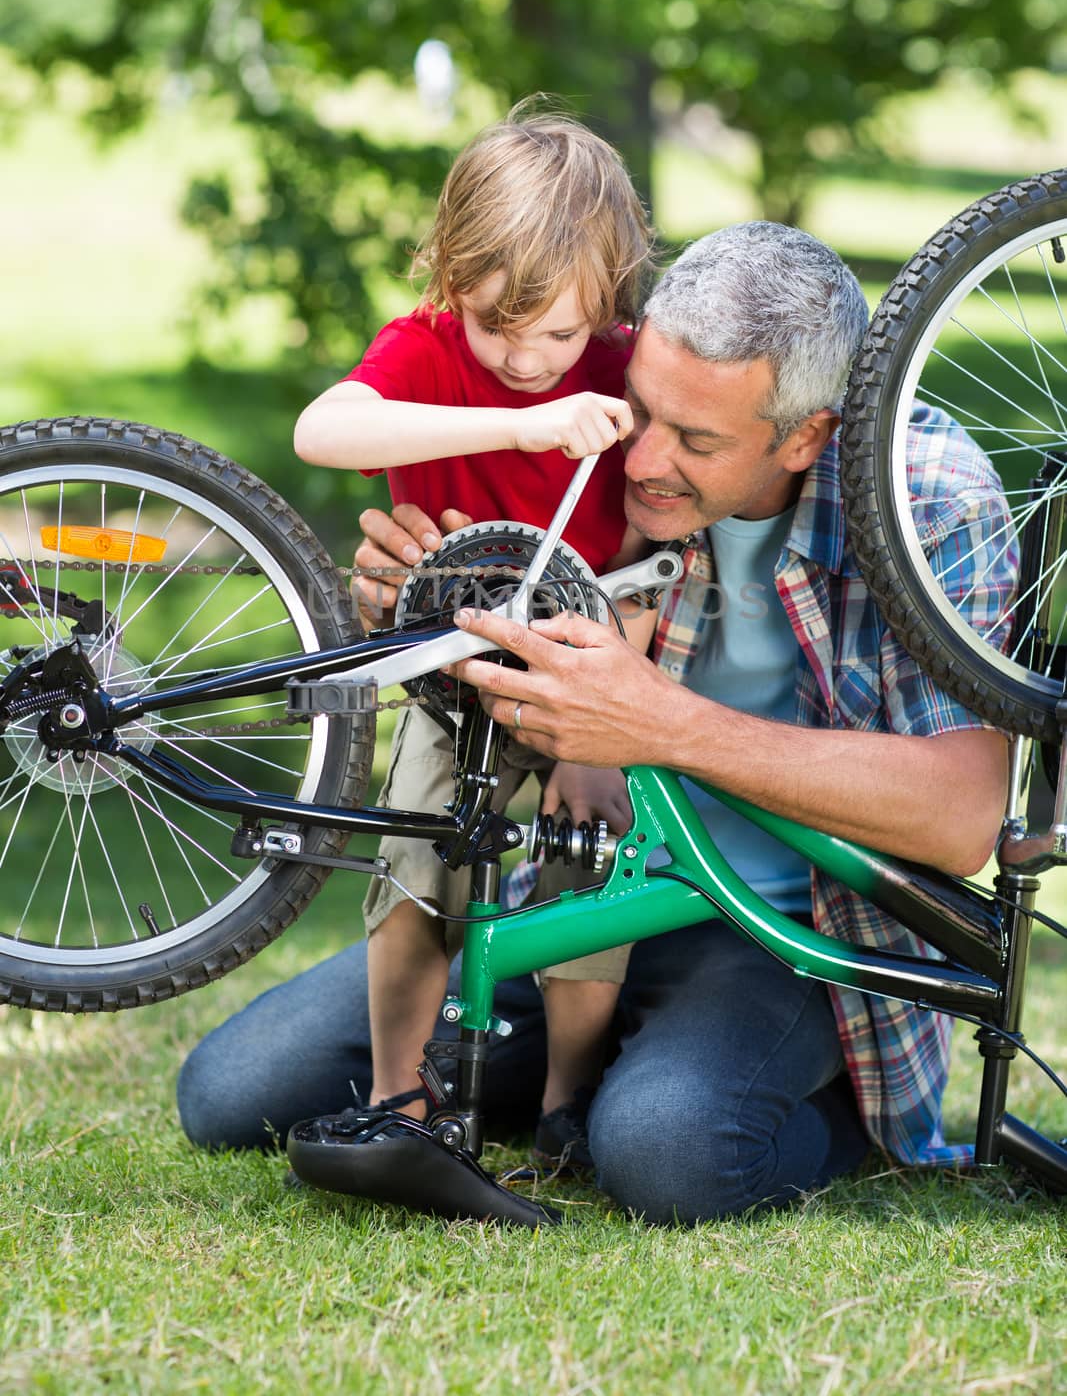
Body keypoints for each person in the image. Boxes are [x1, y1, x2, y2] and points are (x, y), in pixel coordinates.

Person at [178, 221, 1011, 1225]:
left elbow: (961, 813)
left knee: (664, 1154)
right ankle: (596, 1081)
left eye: (695, 440)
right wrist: (421, 594)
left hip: (789, 935)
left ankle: (804, 1103)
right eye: (639, 411)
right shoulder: (593, 425)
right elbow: (495, 598)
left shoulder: (930, 502)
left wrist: (664, 723)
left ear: (806, 435)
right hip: (587, 888)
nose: (642, 457)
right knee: (236, 1090)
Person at [290, 105, 657, 1166]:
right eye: (502, 325)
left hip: (589, 678)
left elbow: (649, 555)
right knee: (413, 872)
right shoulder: (427, 351)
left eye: (560, 334)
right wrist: (518, 423)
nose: (533, 358)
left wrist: (594, 742)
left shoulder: (625, 367)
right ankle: (399, 1098)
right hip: (456, 679)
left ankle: (561, 1109)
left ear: (607, 301)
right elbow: (326, 429)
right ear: (451, 279)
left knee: (587, 887)